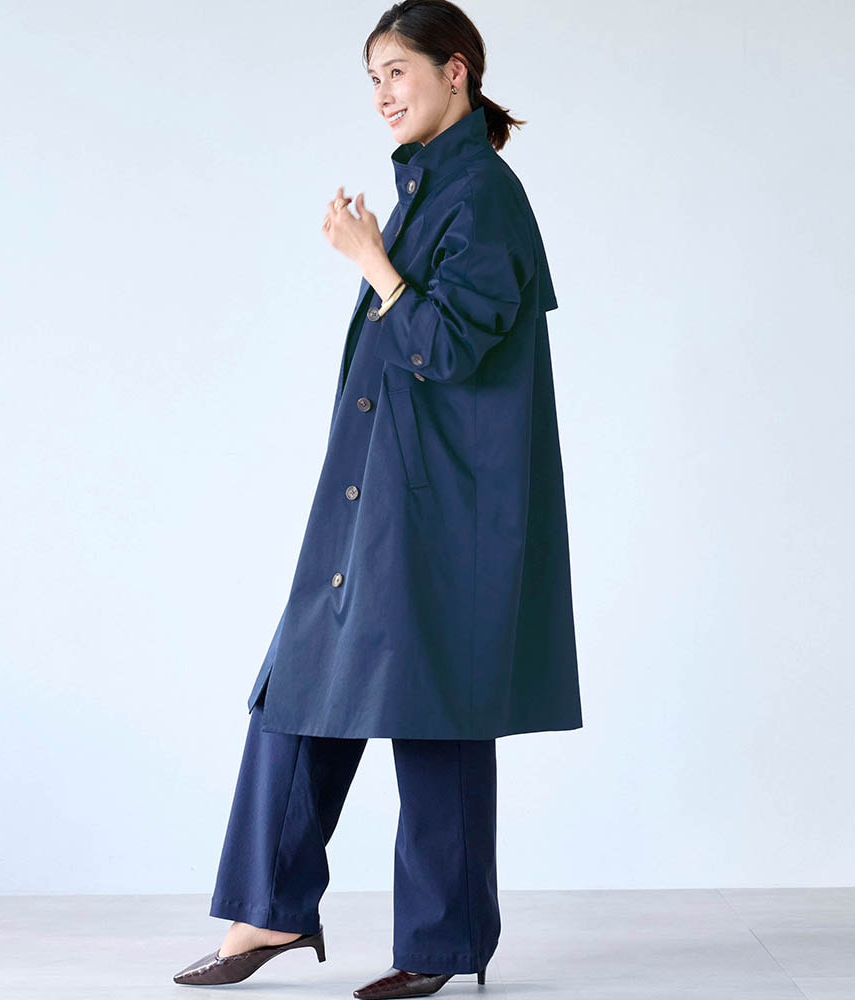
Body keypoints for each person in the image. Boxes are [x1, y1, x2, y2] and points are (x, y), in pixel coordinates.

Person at [172, 1, 582, 997]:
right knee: (302, 683)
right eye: (372, 78)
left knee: (436, 713)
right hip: (384, 493)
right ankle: (271, 909)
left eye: (397, 70)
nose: (383, 94)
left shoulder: (483, 196)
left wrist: (369, 259)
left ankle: (440, 944)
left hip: (443, 507)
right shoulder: (430, 188)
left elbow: (447, 347)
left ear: (457, 70)